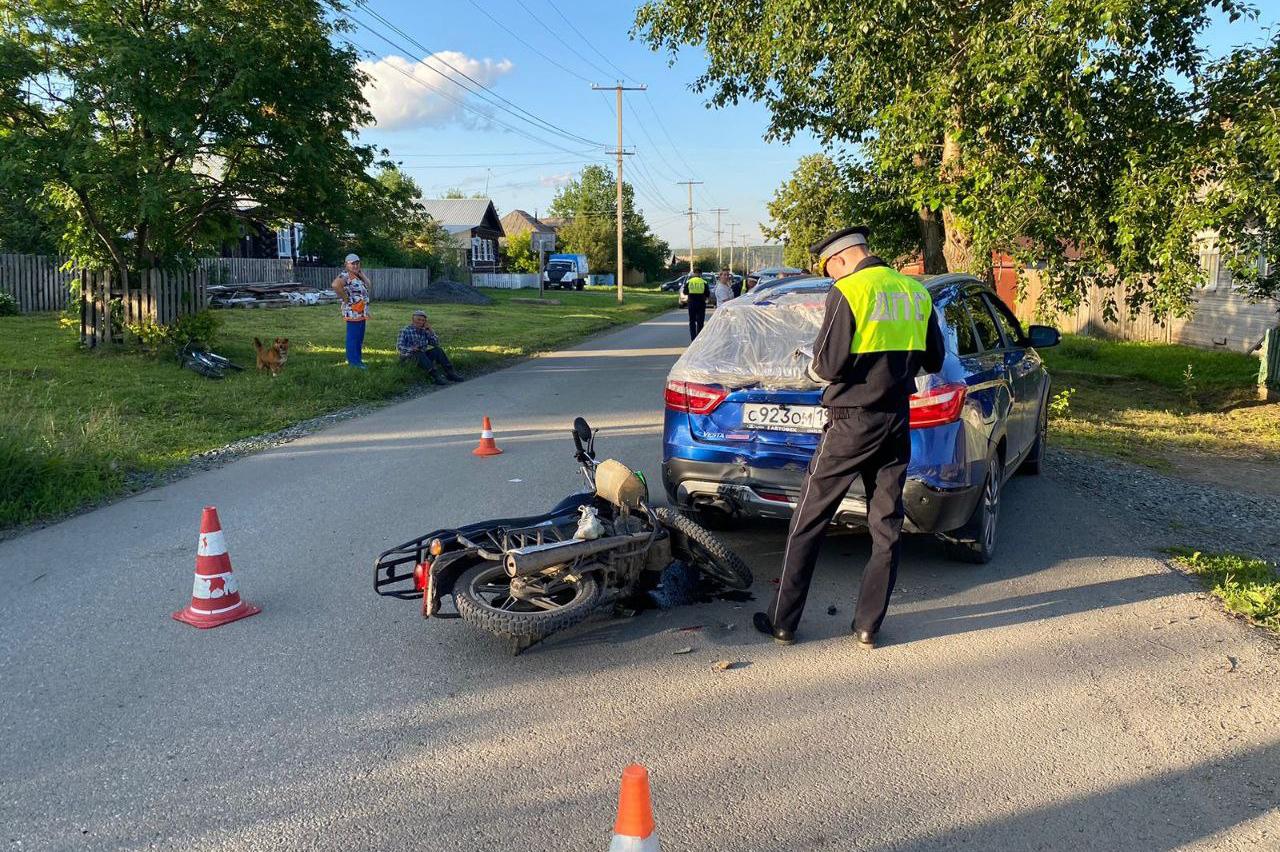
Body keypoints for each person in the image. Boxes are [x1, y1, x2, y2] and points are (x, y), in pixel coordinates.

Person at [754, 226, 945, 650]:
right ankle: (868, 626)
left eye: (830, 270)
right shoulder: (916, 292)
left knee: (809, 517)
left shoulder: (850, 291)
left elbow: (828, 365)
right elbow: (933, 359)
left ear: (840, 259)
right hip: (896, 419)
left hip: (850, 421)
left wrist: (809, 369)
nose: (832, 278)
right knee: (886, 523)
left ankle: (783, 621)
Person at [397, 310, 463, 384]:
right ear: (413, 320)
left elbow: (436, 343)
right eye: (418, 319)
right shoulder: (405, 330)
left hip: (423, 356)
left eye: (423, 320)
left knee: (438, 350)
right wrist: (411, 349)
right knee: (418, 353)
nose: (420, 322)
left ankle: (450, 373)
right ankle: (435, 376)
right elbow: (399, 347)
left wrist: (430, 330)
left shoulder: (425, 331)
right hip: (409, 357)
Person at [332, 253, 370, 369]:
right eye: (352, 263)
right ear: (346, 264)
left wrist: (361, 274)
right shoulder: (345, 275)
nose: (355, 265)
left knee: (359, 337)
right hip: (353, 312)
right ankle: (354, 363)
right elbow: (335, 285)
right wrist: (345, 298)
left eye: (357, 263)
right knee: (353, 338)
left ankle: (357, 360)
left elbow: (369, 285)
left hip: (361, 312)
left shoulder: (357, 275)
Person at [683, 268, 708, 340]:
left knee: (692, 321)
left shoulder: (689, 281)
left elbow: (685, 292)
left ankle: (693, 338)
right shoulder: (704, 282)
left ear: (693, 273)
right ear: (701, 274)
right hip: (701, 303)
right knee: (700, 322)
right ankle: (698, 339)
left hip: (691, 303)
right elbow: (707, 293)